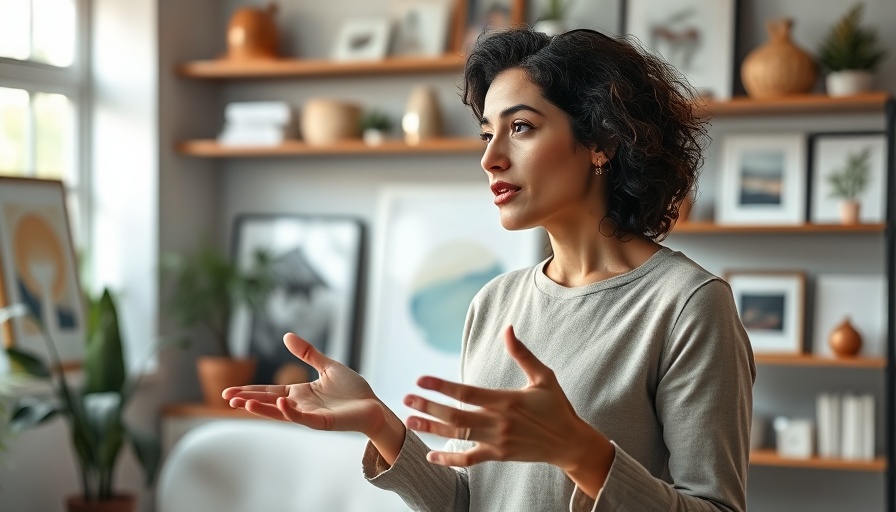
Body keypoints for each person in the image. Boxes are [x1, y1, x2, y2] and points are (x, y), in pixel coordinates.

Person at [223, 27, 755, 512]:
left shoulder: (689, 305)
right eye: (486, 134)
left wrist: (582, 454)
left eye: (521, 127)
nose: (491, 158)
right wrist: (381, 424)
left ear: (603, 142)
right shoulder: (494, 304)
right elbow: (469, 502)